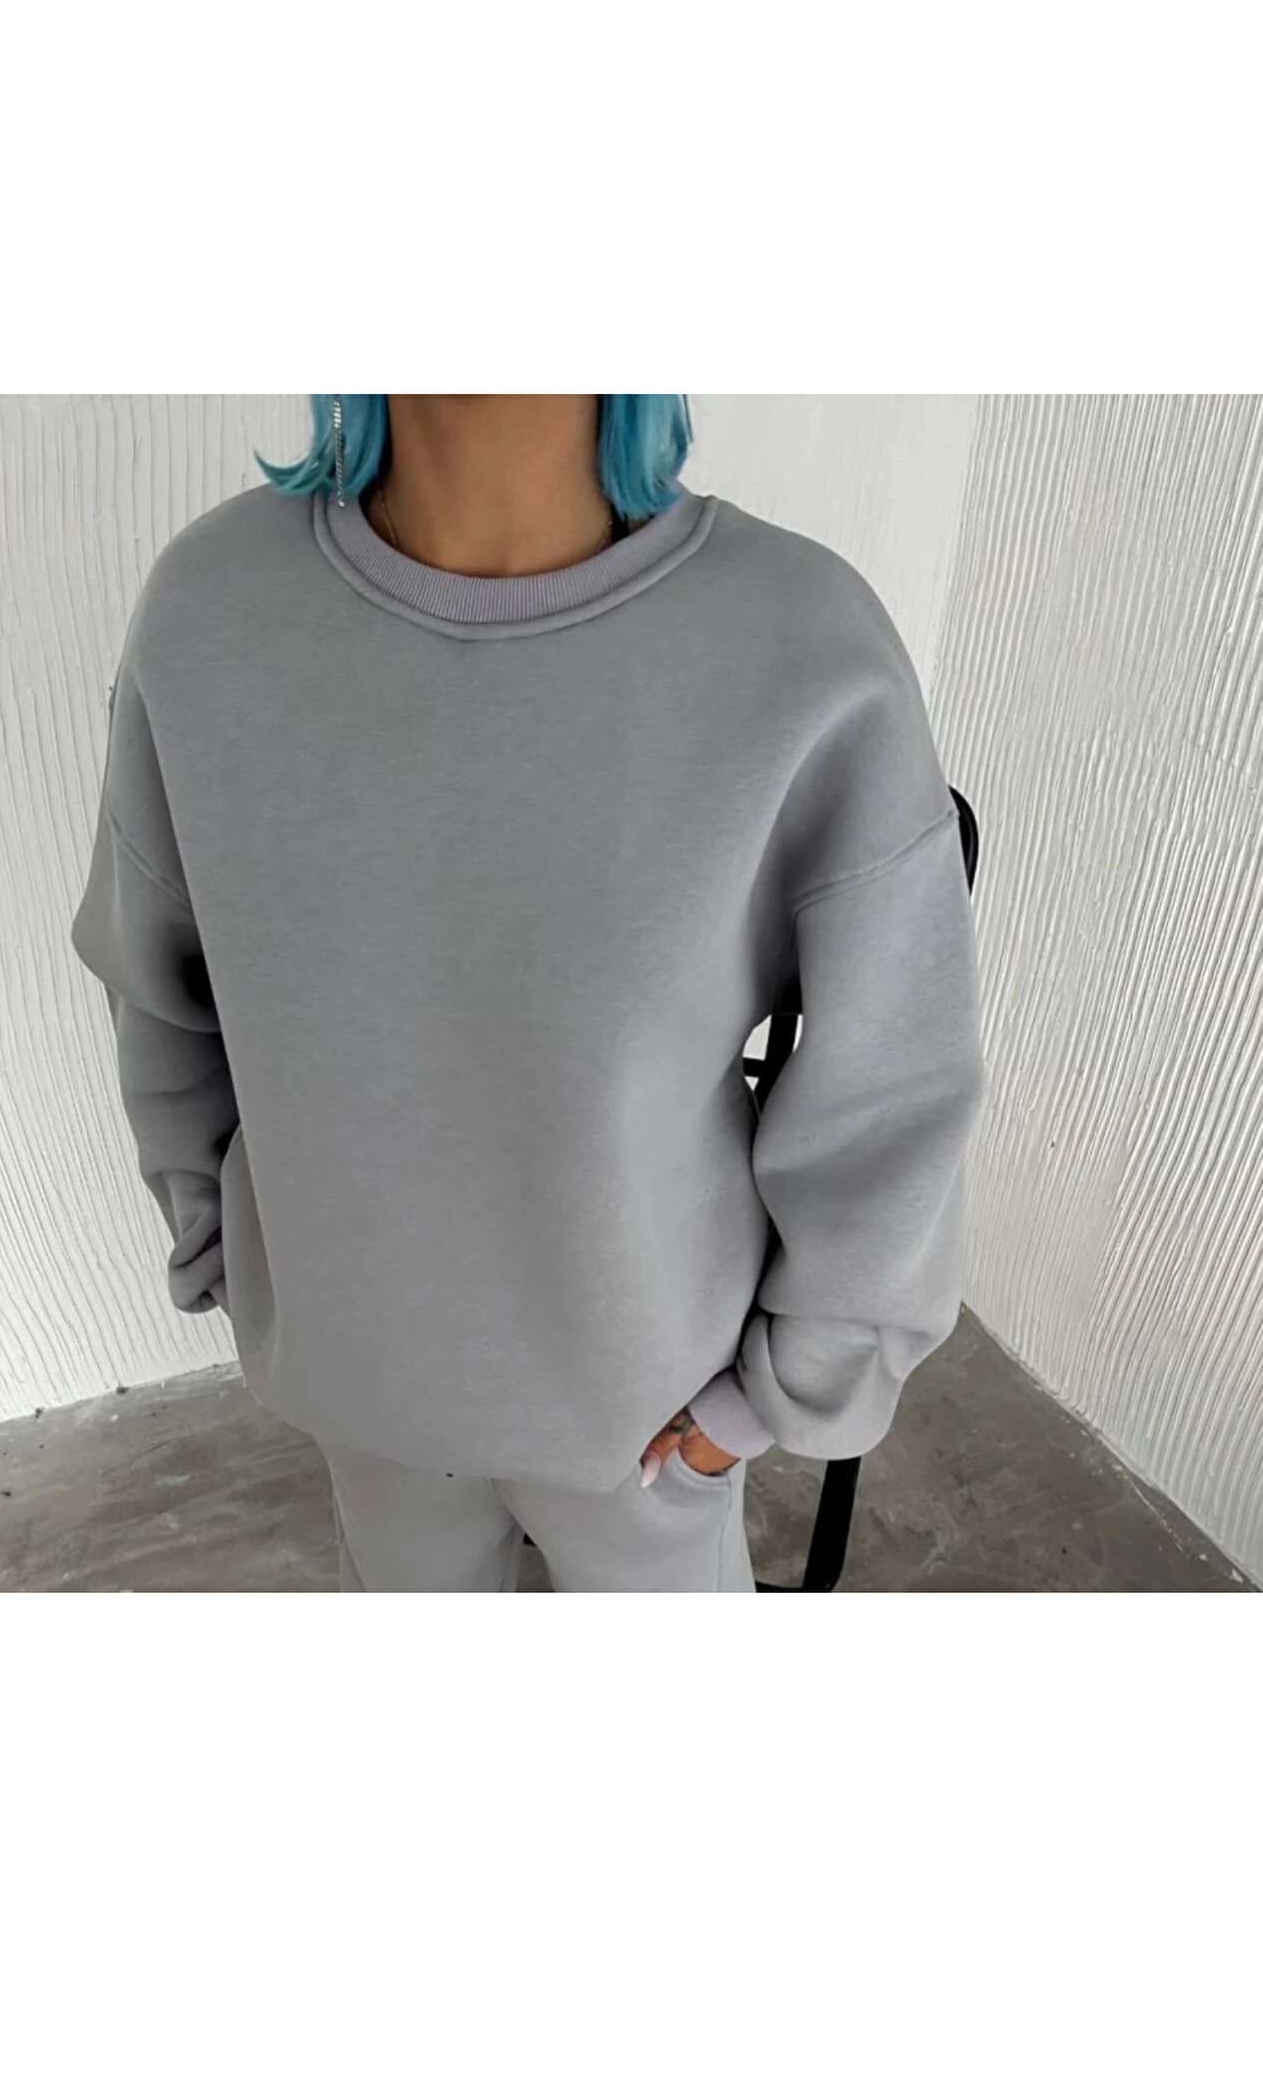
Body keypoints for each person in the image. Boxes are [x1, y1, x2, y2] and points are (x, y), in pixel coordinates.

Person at [69, 395, 986, 1592]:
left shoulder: (800, 648)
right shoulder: (213, 609)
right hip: (366, 1388)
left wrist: (781, 1390)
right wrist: (227, 1250)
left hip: (649, 1412)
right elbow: (158, 978)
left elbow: (892, 1084)